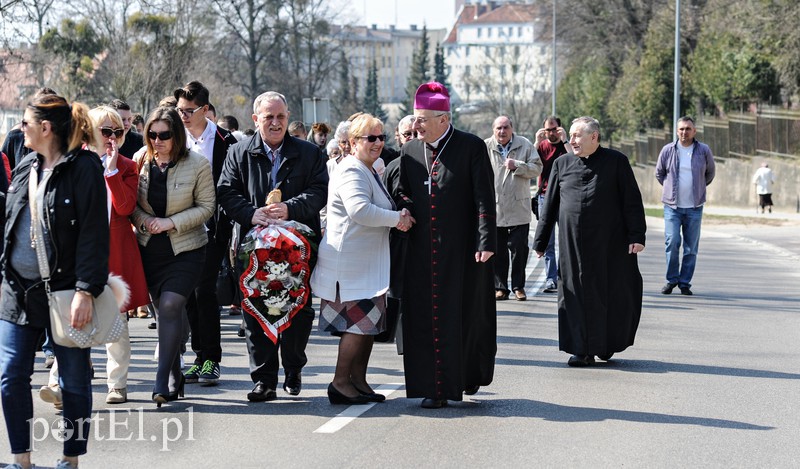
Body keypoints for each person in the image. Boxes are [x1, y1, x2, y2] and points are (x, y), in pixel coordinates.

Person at [0, 94, 108, 469]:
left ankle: (70, 459)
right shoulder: (26, 164)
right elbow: (12, 226)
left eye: (26, 123)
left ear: (45, 128)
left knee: (74, 382)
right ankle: (21, 461)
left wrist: (85, 290)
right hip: (17, 292)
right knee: (11, 377)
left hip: (65, 293)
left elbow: (95, 232)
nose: (21, 129)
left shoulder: (85, 167)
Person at [385, 82, 496, 409]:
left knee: (462, 315)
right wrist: (404, 205)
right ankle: (431, 387)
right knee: (423, 318)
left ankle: (463, 377)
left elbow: (484, 197)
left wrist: (485, 239)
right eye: (415, 119)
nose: (415, 125)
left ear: (443, 120)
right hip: (421, 250)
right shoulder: (409, 151)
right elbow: (402, 190)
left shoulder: (471, 147)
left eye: (422, 119)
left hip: (462, 250)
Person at [217, 91, 328, 402]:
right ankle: (264, 379)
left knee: (298, 308)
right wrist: (252, 214)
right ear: (256, 120)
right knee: (254, 309)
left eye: (281, 117)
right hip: (252, 248)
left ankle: (293, 367)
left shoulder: (309, 153)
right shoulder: (238, 153)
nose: (276, 123)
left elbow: (320, 190)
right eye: (269, 117)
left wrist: (289, 209)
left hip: (297, 250)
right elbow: (226, 192)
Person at [311, 114, 414, 405]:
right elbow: (360, 210)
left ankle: (358, 381)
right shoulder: (352, 170)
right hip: (350, 267)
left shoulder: (366, 168)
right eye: (371, 138)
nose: (378, 143)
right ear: (354, 143)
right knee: (357, 327)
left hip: (364, 267)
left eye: (381, 137)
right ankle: (340, 383)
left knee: (366, 328)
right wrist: (397, 219)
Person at [533, 116, 646, 367]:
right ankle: (580, 348)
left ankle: (605, 345)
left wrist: (637, 236)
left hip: (610, 244)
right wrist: (540, 241)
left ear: (594, 137)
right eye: (570, 135)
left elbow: (631, 202)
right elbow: (549, 205)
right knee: (574, 295)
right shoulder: (561, 164)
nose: (570, 140)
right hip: (572, 245)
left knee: (611, 293)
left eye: (576, 135)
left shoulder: (616, 162)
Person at [131, 106, 215, 407]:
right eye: (151, 135)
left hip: (187, 249)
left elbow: (207, 207)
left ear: (176, 136)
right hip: (149, 249)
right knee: (162, 309)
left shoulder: (197, 164)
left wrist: (171, 222)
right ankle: (175, 373)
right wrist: (144, 221)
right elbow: (132, 204)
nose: (157, 140)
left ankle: (161, 378)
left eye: (164, 135)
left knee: (170, 305)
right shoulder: (141, 161)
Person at [174, 81, 239, 387]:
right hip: (179, 225)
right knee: (188, 292)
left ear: (204, 110)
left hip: (213, 227)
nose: (183, 116)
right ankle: (198, 356)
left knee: (205, 289)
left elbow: (232, 185)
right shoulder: (174, 138)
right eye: (179, 110)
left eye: (188, 111)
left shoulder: (226, 141)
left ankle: (210, 357)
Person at [88, 105, 150, 404]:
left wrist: (111, 170)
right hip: (82, 252)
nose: (113, 137)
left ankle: (117, 384)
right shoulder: (76, 162)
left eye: (118, 131)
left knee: (116, 322)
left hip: (115, 249)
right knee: (73, 319)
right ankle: (60, 382)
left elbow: (125, 207)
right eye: (106, 131)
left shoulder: (126, 165)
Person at [655, 116, 715, 296]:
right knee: (672, 241)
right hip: (672, 207)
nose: (684, 132)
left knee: (691, 247)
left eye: (688, 129)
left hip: (694, 207)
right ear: (676, 131)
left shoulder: (703, 150)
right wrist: (669, 190)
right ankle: (671, 279)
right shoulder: (668, 150)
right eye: (681, 129)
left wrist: (698, 189)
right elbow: (659, 173)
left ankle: (684, 282)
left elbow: (710, 173)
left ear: (694, 131)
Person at [486, 115, 542, 301]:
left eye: (506, 127)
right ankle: (500, 287)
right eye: (498, 128)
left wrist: (517, 165)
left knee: (519, 250)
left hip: (519, 207)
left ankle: (519, 286)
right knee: (499, 251)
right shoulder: (486, 146)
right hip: (496, 208)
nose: (502, 132)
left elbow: (537, 168)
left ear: (512, 128)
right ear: (493, 130)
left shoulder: (524, 145)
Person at [534, 116, 569, 293]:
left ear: (560, 129)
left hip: (565, 197)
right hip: (545, 197)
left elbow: (576, 160)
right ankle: (551, 279)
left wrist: (566, 141)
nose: (552, 133)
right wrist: (536, 142)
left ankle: (566, 277)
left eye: (554, 129)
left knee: (566, 240)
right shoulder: (541, 147)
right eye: (548, 130)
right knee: (547, 242)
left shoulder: (566, 145)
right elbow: (530, 165)